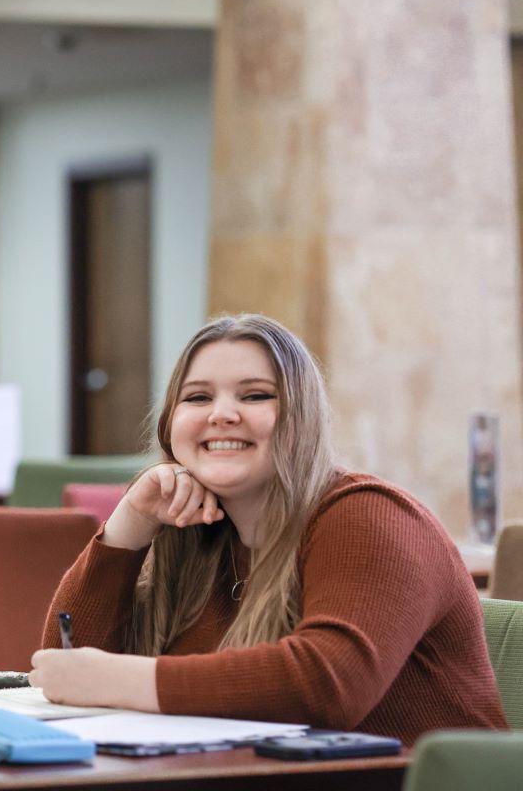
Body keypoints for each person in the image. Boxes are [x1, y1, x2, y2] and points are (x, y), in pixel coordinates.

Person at [30, 314, 506, 745]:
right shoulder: (200, 538)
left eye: (255, 395)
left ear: (301, 419)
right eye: (198, 397)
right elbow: (67, 669)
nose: (221, 413)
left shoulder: (367, 514)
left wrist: (121, 680)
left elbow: (327, 685)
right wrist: (127, 527)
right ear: (170, 425)